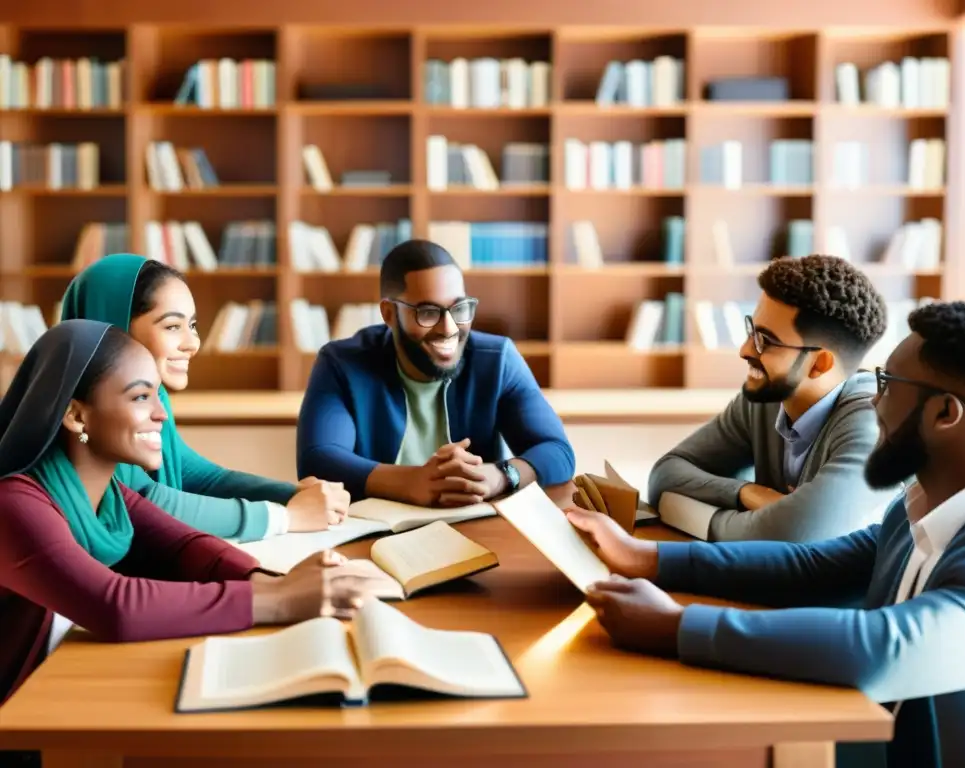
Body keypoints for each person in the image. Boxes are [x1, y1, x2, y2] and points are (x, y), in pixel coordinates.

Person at [568, 300, 965, 768]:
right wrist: (646, 557)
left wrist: (673, 627)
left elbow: (883, 647)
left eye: (887, 384)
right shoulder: (923, 503)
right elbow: (817, 565)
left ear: (945, 414)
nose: (873, 400)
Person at [0, 320, 367, 709]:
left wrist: (273, 580)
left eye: (158, 394)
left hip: (52, 696)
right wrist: (280, 600)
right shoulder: (14, 505)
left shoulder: (108, 495)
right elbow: (115, 606)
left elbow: (186, 548)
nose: (162, 414)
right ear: (76, 415)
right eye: (141, 397)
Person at [60, 254, 349, 542]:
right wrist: (287, 517)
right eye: (173, 326)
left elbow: (200, 477)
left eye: (193, 325)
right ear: (114, 327)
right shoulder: (85, 411)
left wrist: (292, 495)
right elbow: (142, 503)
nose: (193, 344)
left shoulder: (153, 398)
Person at [296, 239, 574, 505]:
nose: (449, 328)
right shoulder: (342, 363)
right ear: (389, 314)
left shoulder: (496, 360)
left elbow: (557, 452)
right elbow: (319, 460)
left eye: (459, 308)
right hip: (372, 534)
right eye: (428, 312)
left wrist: (500, 476)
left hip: (474, 531)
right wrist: (411, 482)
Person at [648, 254, 893, 542]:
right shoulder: (763, 401)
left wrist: (696, 518)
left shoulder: (874, 425)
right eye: (752, 329)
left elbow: (796, 535)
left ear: (820, 364)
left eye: (766, 341)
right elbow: (664, 477)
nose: (744, 349)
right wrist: (748, 493)